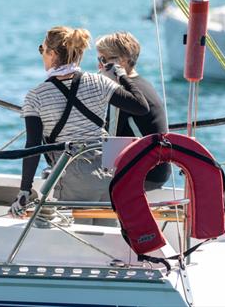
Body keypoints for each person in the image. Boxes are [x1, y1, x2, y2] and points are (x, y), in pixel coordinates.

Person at [10, 26, 151, 223]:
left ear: (51, 53)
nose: (42, 55)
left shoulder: (36, 96)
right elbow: (141, 106)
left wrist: (25, 190)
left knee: (79, 240)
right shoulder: (100, 82)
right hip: (109, 171)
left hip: (73, 175)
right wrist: (121, 75)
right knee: (107, 238)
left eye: (42, 50)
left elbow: (33, 146)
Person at [96, 32, 171, 191]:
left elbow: (110, 143)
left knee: (80, 182)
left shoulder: (122, 92)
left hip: (145, 175)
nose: (99, 66)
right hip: (158, 171)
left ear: (121, 61)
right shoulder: (143, 85)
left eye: (103, 60)